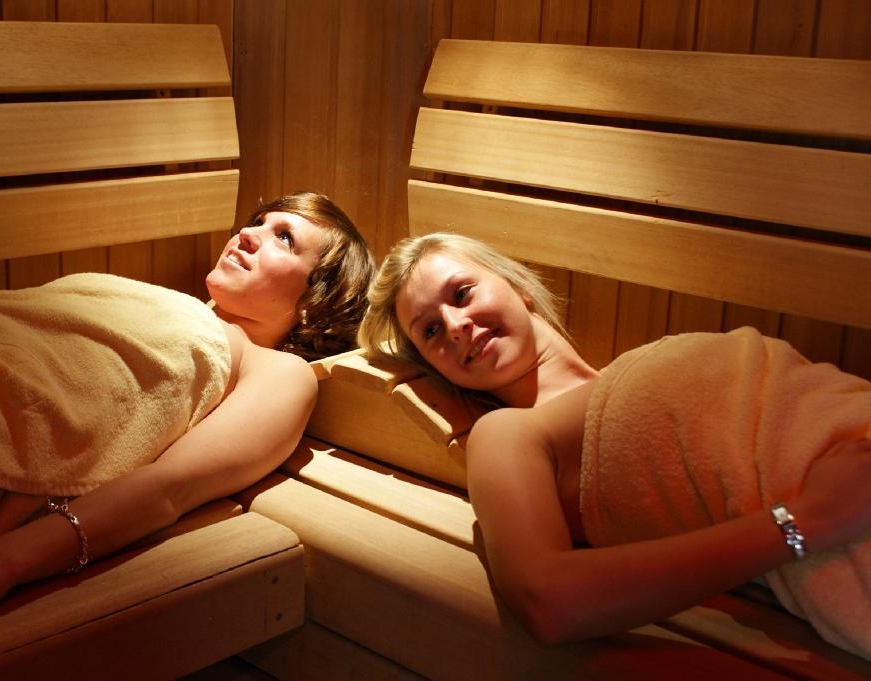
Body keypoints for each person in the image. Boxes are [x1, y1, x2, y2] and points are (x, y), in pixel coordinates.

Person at [0, 191, 376, 670]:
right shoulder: (162, 302)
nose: (249, 234)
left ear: (316, 302)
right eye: (257, 221)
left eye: (284, 238)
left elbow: (169, 488)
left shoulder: (277, 371)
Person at [359, 231, 871, 658]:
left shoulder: (619, 377)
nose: (455, 326)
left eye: (462, 294)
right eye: (430, 331)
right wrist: (806, 522)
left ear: (518, 287)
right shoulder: (508, 433)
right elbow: (549, 601)